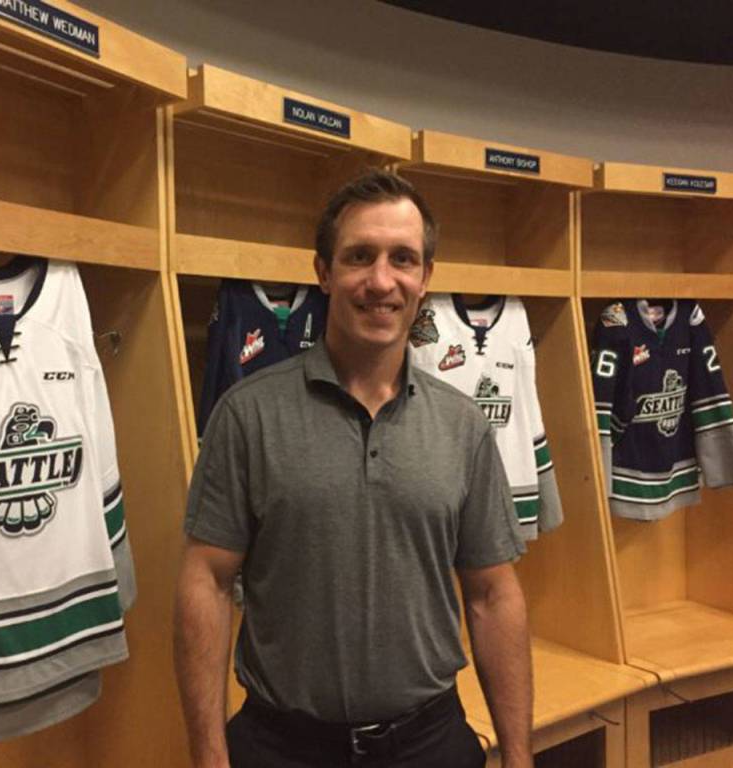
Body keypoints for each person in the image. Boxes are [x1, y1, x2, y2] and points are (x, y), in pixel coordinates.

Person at [174, 168, 534, 768]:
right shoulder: (247, 414)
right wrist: (209, 759)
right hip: (282, 746)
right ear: (324, 272)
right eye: (360, 256)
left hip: (430, 744)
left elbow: (493, 595)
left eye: (402, 259)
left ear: (425, 277)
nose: (381, 281)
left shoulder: (463, 425)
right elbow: (205, 583)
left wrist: (520, 757)